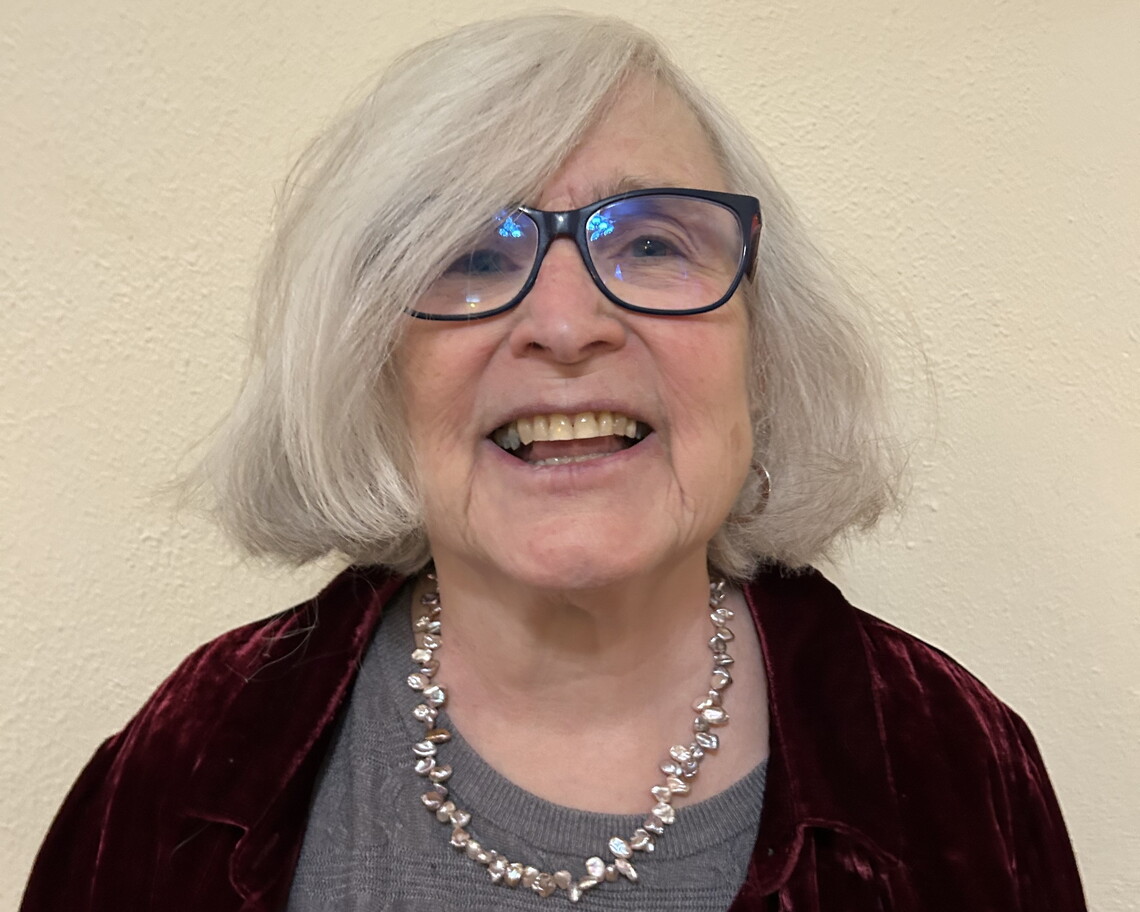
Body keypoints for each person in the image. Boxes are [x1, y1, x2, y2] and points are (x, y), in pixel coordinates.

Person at [20, 13, 1085, 912]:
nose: (567, 324)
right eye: (473, 255)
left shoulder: (950, 765)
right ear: (368, 363)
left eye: (653, 244)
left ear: (759, 349)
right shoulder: (190, 766)